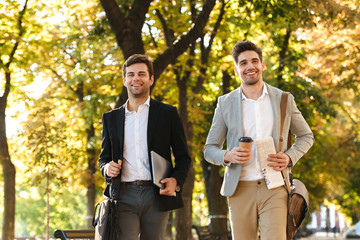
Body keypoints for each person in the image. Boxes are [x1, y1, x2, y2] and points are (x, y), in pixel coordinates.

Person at [203, 40, 314, 240]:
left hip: (274, 187)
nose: (250, 66)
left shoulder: (284, 99)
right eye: (243, 63)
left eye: (254, 61)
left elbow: (306, 136)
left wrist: (289, 157)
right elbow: (209, 149)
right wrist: (227, 155)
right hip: (239, 188)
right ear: (237, 69)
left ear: (262, 65)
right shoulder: (225, 103)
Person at [99, 54, 191, 239]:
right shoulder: (111, 118)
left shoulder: (168, 113)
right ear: (125, 80)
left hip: (157, 194)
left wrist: (175, 181)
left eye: (141, 74)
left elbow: (183, 157)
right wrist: (107, 168)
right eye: (131, 74)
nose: (136, 78)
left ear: (151, 79)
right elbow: (103, 159)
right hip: (123, 195)